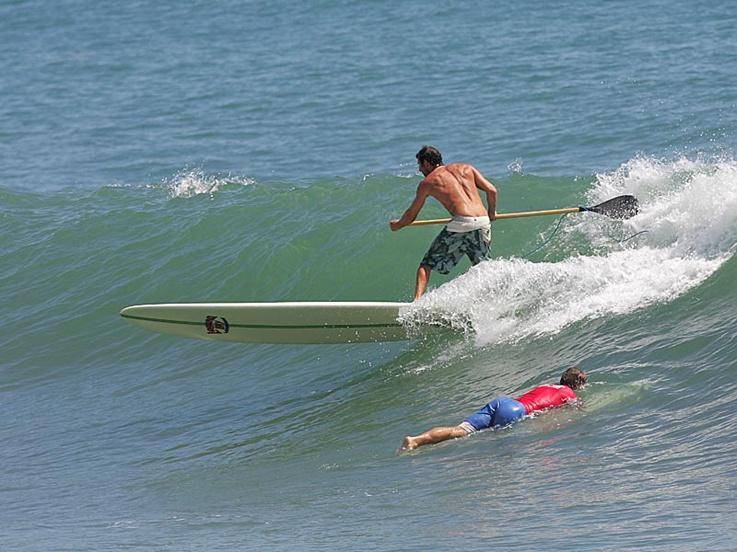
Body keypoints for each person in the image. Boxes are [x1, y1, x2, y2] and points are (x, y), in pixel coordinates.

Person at [389, 146, 498, 300]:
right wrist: (492, 213)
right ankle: (490, 300)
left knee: (426, 265)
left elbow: (411, 215)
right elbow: (492, 190)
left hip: (461, 223)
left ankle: (416, 304)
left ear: (427, 163)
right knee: (483, 267)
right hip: (483, 221)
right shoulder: (466, 168)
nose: (419, 170)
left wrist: (397, 225)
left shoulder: (428, 182)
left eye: (420, 165)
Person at [400, 366, 588, 451]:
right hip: (517, 412)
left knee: (460, 430)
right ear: (577, 384)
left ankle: (415, 440)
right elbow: (577, 409)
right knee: (501, 451)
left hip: (503, 402)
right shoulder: (569, 393)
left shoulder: (546, 385)